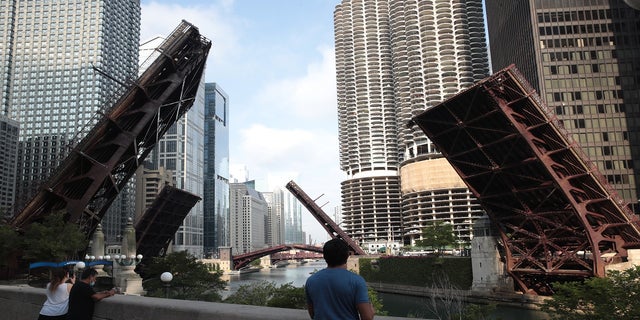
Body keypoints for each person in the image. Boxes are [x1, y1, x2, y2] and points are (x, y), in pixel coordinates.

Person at [305, 238, 375, 320]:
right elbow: (367, 317)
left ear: (324, 256)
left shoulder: (311, 280)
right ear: (347, 255)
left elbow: (312, 313)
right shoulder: (357, 281)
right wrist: (372, 312)